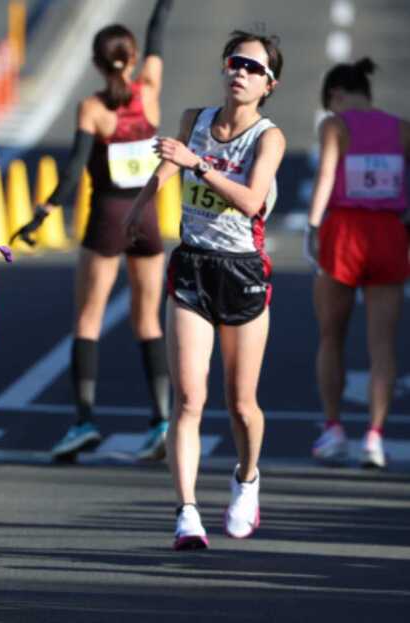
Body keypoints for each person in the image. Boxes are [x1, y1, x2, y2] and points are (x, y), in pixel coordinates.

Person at [124, 31, 285, 549]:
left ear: (268, 84)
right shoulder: (196, 119)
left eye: (253, 68)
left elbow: (252, 199)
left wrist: (201, 165)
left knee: (241, 405)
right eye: (235, 62)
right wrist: (139, 206)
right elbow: (171, 163)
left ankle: (247, 478)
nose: (240, 72)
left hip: (242, 270)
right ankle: (186, 512)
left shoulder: (268, 137)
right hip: (192, 264)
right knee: (189, 399)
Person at [13, 0, 174, 462]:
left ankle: (84, 421)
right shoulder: (151, 90)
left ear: (96, 64)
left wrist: (41, 214)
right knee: (148, 320)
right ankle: (160, 420)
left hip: (107, 217)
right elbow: (159, 29)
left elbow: (72, 173)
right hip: (147, 219)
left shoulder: (92, 108)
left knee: (87, 320)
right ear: (135, 56)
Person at [304, 58, 409, 469]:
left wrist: (313, 226)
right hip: (389, 233)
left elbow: (327, 175)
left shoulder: (335, 125)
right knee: (382, 344)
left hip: (345, 230)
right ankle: (375, 437)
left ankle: (333, 430)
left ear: (335, 96)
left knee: (332, 336)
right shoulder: (401, 127)